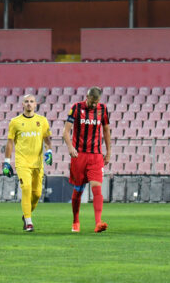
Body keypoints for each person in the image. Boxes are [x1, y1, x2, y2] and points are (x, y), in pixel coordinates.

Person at [63, 86, 112, 233]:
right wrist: (70, 147)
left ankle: (98, 223)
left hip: (96, 155)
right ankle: (75, 221)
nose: (94, 104)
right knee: (78, 190)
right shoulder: (76, 108)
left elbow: (106, 130)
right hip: (79, 155)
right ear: (87, 97)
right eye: (92, 101)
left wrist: (109, 152)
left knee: (97, 188)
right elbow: (66, 132)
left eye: (97, 102)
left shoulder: (103, 109)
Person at [2, 94, 53, 232]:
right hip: (22, 162)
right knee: (26, 188)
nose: (29, 104)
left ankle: (26, 215)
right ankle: (29, 222)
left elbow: (47, 139)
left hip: (37, 163)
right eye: (26, 101)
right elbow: (10, 142)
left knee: (37, 194)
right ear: (22, 104)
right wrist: (6, 162)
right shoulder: (15, 122)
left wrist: (49, 151)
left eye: (31, 101)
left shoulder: (42, 120)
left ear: (35, 104)